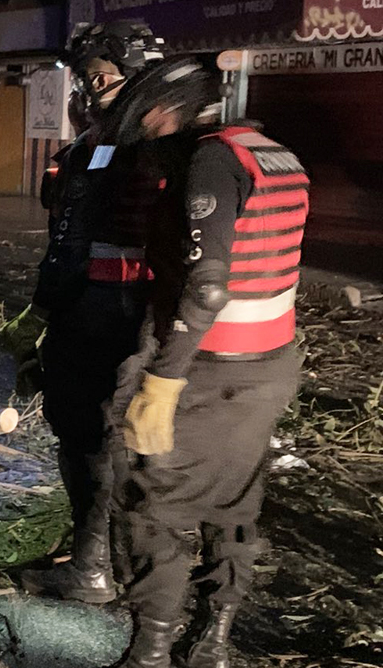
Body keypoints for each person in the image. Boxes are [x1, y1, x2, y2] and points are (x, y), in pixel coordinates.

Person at [103, 55, 307, 668]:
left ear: (174, 112)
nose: (153, 135)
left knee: (155, 506)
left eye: (154, 121)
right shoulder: (276, 154)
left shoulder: (212, 160)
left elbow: (208, 284)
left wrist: (165, 377)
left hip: (207, 368)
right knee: (236, 501)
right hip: (269, 366)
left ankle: (152, 651)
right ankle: (214, 641)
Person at [18, 21, 168, 605]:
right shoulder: (114, 142)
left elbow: (81, 232)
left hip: (110, 313)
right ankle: (98, 557)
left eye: (96, 76)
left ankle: (93, 571)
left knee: (93, 440)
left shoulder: (138, 145)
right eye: (84, 78)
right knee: (92, 437)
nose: (86, 89)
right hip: (102, 310)